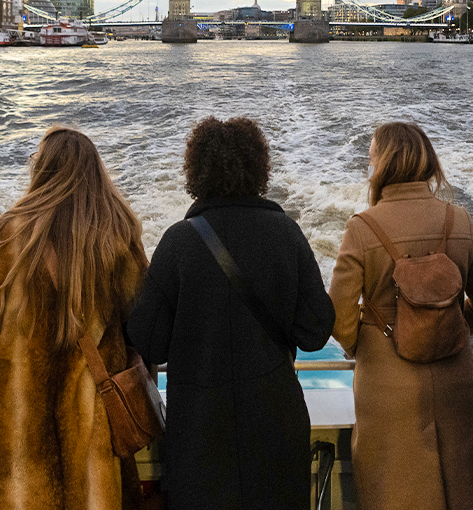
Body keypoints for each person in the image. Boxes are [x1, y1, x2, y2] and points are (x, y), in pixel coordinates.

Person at [127, 117, 334, 510]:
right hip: (276, 422)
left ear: (195, 173)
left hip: (200, 433)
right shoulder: (286, 233)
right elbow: (316, 331)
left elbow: (147, 340)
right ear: (259, 169)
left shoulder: (177, 242)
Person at [0, 125, 150, 509]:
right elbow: (141, 317)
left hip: (18, 412)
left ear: (42, 170)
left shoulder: (8, 232)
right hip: (92, 413)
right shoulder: (118, 235)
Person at [327, 121, 473, 510]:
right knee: (464, 490)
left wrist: (373, 342)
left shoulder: (362, 227)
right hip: (455, 379)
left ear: (382, 165)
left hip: (387, 385)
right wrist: (445, 326)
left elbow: (338, 318)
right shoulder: (459, 220)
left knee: (395, 492)